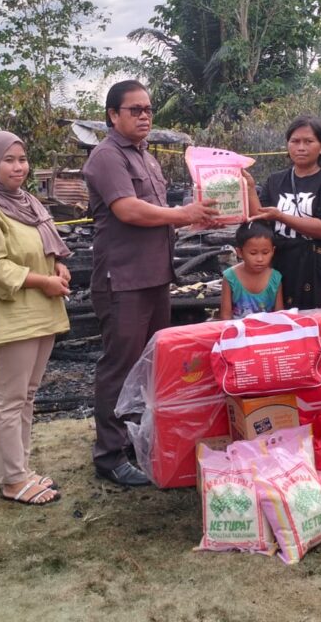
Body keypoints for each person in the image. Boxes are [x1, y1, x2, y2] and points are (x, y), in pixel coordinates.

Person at [83, 80, 219, 486]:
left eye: (148, 109)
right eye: (134, 110)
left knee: (150, 366)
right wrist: (183, 214)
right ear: (113, 115)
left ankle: (136, 441)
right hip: (122, 280)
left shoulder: (148, 158)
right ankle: (109, 455)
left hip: (155, 276)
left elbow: (160, 213)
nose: (144, 116)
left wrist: (195, 216)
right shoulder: (107, 157)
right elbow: (129, 211)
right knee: (119, 367)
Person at [0, 131, 70, 506]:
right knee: (9, 399)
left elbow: (47, 245)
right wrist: (44, 281)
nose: (19, 167)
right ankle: (11, 479)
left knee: (27, 395)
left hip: (40, 311)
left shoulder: (27, 202)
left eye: (22, 159)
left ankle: (20, 469)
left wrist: (58, 265)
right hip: (10, 315)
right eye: (9, 160)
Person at [249, 115, 321, 309]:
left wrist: (281, 216)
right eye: (295, 141)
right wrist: (250, 188)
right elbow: (261, 220)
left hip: (319, 271)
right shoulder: (275, 180)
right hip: (283, 266)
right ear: (288, 145)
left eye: (308, 141)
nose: (301, 147)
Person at [219, 220, 284, 319]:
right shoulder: (230, 277)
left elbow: (279, 315)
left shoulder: (275, 278)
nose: (260, 259)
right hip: (239, 332)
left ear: (273, 251)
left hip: (266, 332)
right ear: (240, 252)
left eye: (265, 253)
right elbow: (225, 316)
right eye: (253, 253)